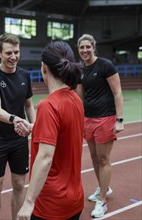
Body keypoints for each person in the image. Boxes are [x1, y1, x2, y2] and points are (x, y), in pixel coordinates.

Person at [17, 40, 85, 220]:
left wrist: (29, 201)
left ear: (44, 68)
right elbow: (65, 132)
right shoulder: (75, 99)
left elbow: (46, 158)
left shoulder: (48, 106)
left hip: (50, 204)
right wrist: (36, 127)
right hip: (75, 198)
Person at [0, 33, 36, 220]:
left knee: (19, 184)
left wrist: (33, 125)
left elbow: (29, 105)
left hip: (19, 139)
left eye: (16, 52)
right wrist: (16, 120)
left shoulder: (24, 75)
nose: (13, 57)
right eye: (8, 53)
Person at [76, 34, 124, 218]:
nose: (85, 50)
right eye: (82, 48)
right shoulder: (81, 70)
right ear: (78, 50)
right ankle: (105, 188)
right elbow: (80, 98)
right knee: (95, 157)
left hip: (105, 118)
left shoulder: (105, 65)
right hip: (88, 119)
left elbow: (118, 92)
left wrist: (119, 120)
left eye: (88, 47)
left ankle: (102, 200)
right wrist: (79, 120)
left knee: (104, 159)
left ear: (93, 47)